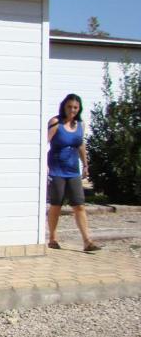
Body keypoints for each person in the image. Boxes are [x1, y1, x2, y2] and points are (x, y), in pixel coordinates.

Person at [46, 93, 101, 252]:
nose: (72, 110)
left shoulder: (80, 125)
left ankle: (87, 241)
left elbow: (80, 145)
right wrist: (45, 166)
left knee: (79, 205)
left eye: (75, 108)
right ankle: (53, 238)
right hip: (56, 170)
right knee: (56, 205)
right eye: (69, 107)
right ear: (64, 106)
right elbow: (45, 143)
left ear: (79, 109)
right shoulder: (55, 122)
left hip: (73, 171)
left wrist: (85, 164)